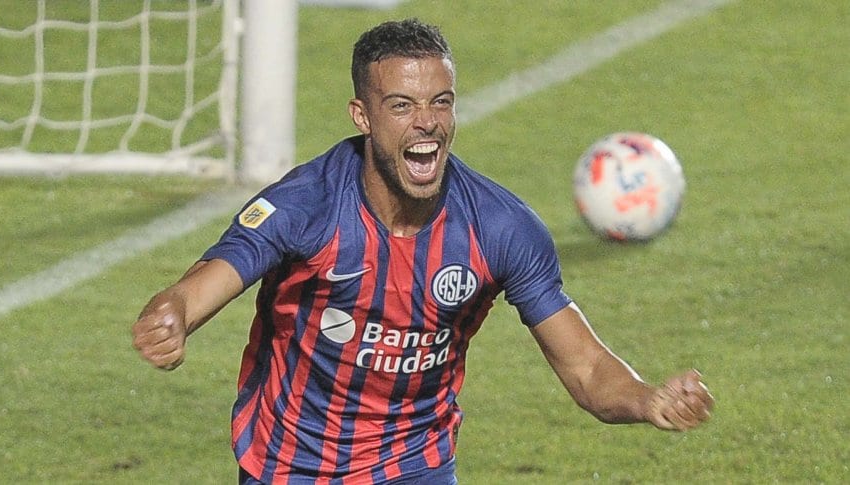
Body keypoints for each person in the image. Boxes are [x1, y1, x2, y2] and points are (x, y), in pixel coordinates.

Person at [132, 18, 713, 484]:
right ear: (363, 116)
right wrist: (172, 315)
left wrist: (647, 399)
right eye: (402, 106)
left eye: (441, 102)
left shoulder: (499, 227)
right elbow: (204, 284)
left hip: (414, 465)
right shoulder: (305, 206)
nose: (427, 124)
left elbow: (585, 367)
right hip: (289, 466)